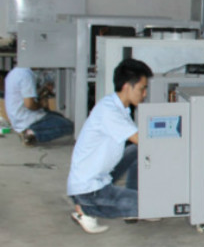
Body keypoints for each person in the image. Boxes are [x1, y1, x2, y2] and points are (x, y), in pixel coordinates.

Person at [66, 59, 153, 234]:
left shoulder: (117, 106)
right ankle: (86, 210)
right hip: (90, 189)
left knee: (137, 151)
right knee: (152, 204)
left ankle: (131, 197)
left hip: (99, 176)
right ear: (127, 87)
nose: (144, 94)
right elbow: (143, 140)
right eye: (142, 89)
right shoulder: (110, 111)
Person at [4, 67, 73, 145]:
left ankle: (30, 130)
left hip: (18, 118)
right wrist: (41, 104)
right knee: (69, 126)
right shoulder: (26, 75)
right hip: (28, 119)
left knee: (59, 116)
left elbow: (27, 96)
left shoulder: (15, 72)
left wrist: (44, 90)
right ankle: (32, 133)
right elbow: (30, 105)